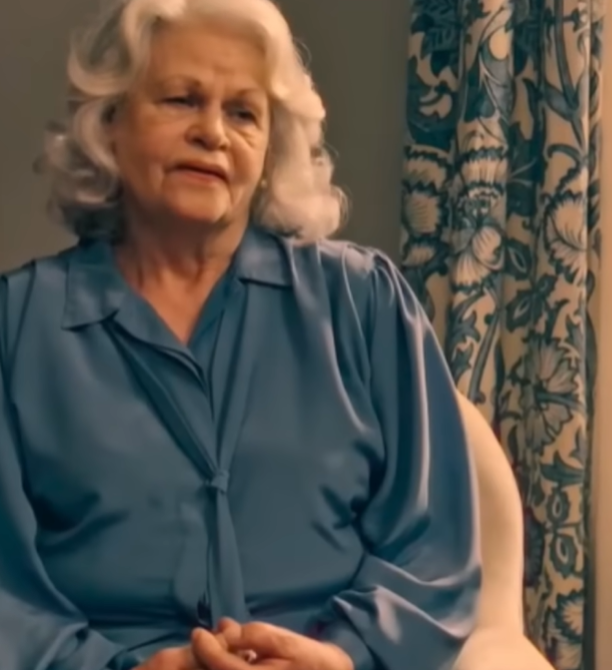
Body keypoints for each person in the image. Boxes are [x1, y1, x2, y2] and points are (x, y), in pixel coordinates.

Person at [0, 0, 481, 669]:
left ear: (271, 147)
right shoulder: (17, 327)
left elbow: (433, 551)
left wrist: (344, 658)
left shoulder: (364, 301)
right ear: (109, 124)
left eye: (243, 113)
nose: (213, 133)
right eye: (181, 99)